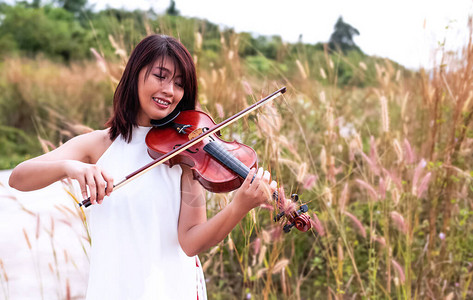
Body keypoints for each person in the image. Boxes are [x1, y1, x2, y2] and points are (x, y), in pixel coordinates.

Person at [8, 34, 277, 300]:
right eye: (160, 76)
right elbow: (19, 178)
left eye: (179, 84)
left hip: (173, 291)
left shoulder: (184, 156)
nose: (170, 91)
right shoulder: (98, 145)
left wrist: (238, 207)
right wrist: (70, 168)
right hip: (111, 291)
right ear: (136, 74)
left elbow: (192, 241)